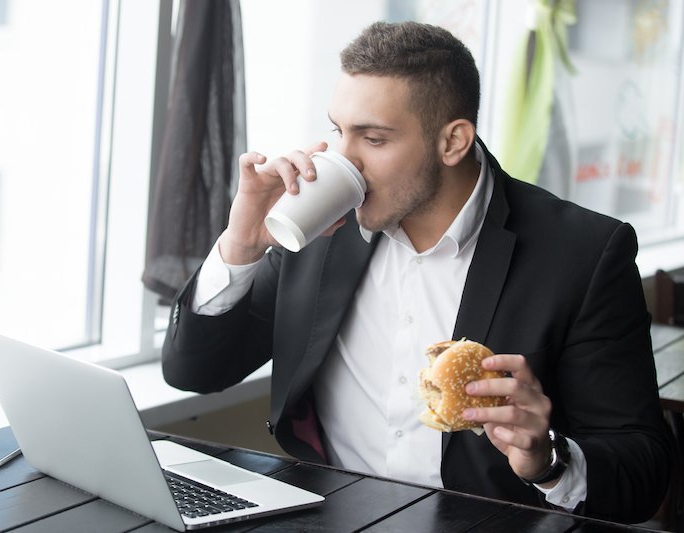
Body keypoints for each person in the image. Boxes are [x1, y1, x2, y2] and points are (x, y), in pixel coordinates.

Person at [162, 21, 672, 523]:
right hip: (328, 515)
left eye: (374, 139)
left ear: (453, 141)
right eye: (339, 131)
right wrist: (242, 244)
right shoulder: (320, 230)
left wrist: (549, 460)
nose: (346, 162)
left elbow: (643, 472)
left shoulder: (582, 253)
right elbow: (195, 371)